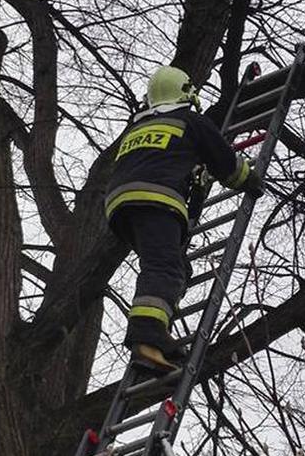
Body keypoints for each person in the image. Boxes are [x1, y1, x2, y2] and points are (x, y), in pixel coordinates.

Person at [105, 65, 263, 372]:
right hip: (157, 200)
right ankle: (148, 338)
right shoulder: (191, 121)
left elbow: (158, 161)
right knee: (163, 266)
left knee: (175, 266)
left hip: (120, 207)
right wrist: (250, 180)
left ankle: (157, 331)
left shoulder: (136, 129)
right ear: (186, 93)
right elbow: (227, 165)